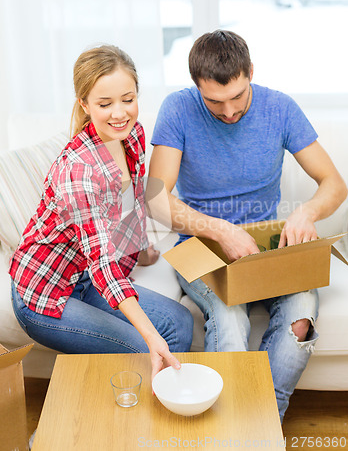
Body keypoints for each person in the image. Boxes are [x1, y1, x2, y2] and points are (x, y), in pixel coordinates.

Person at [148, 30, 347, 419]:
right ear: (196, 87)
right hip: (202, 248)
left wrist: (306, 213)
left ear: (250, 72)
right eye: (214, 102)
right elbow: (155, 198)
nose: (228, 112)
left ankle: (261, 425)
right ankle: (232, 428)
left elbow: (335, 184)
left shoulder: (280, 108)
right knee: (228, 318)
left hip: (270, 247)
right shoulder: (177, 109)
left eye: (237, 97)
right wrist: (221, 229)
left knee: (302, 313)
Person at [9, 44, 193, 379]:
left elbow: (133, 202)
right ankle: (123, 425)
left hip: (88, 277)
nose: (120, 113)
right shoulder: (79, 171)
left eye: (128, 98)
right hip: (47, 292)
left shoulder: (132, 135)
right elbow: (103, 264)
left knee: (179, 322)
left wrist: (138, 252)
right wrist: (149, 336)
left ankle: (158, 411)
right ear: (84, 104)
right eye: (105, 104)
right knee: (144, 350)